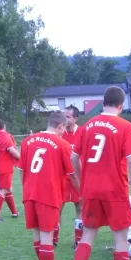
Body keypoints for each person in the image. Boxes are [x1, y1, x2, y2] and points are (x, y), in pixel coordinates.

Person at [64, 85, 131, 260]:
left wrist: (82, 182)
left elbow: (73, 159)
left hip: (91, 188)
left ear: (103, 101)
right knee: (120, 238)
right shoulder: (126, 126)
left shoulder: (86, 126)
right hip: (115, 189)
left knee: (87, 235)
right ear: (121, 105)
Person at [19, 111, 78, 260]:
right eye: (64, 129)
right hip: (48, 194)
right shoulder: (62, 144)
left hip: (29, 193)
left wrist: (26, 189)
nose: (64, 132)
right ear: (59, 126)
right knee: (47, 235)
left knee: (37, 234)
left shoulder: (27, 141)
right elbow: (72, 174)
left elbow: (22, 170)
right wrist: (81, 192)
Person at [55, 104, 83, 249]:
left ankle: (78, 240)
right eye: (64, 116)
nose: (65, 119)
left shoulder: (83, 133)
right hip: (62, 177)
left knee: (80, 206)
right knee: (58, 207)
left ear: (76, 118)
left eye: (68, 116)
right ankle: (54, 238)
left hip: (77, 177)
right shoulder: (59, 133)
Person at [0, 120, 20, 221]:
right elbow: (12, 151)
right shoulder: (5, 136)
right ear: (4, 127)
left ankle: (14, 212)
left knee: (7, 189)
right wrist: (23, 159)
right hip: (5, 167)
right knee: (3, 190)